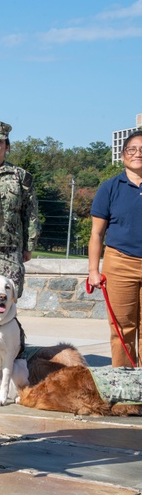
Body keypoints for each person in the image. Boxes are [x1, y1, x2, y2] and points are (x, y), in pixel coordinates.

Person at [89, 130, 142, 369]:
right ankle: (124, 386)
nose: (138, 154)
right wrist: (93, 270)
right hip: (120, 263)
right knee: (122, 327)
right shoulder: (109, 188)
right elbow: (96, 234)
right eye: (132, 149)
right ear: (123, 156)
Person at [0, 121, 39, 298]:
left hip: (10, 248)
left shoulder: (20, 176)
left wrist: (29, 246)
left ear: (7, 146)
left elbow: (31, 212)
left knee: (8, 300)